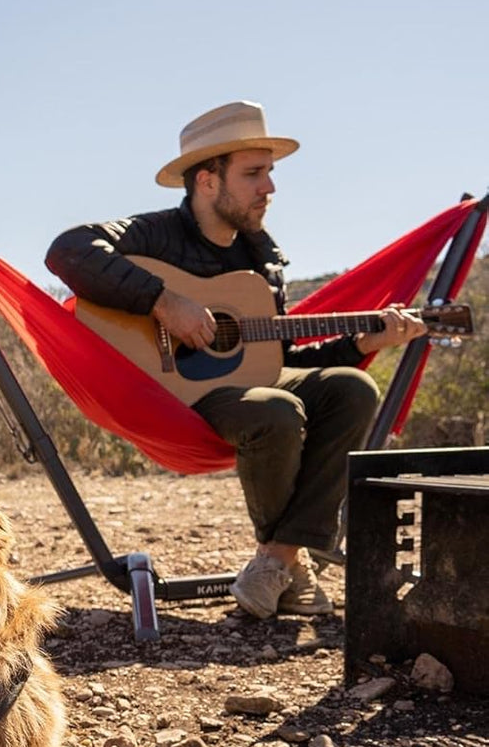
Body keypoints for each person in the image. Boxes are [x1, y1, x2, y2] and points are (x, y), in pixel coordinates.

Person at [45, 101, 425, 619]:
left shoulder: (262, 258)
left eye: (268, 173)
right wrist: (164, 302)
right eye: (253, 174)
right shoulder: (155, 233)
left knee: (352, 388)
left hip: (243, 387)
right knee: (273, 410)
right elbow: (67, 251)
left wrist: (363, 345)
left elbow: (275, 356)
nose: (269, 188)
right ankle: (290, 565)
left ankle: (279, 558)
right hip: (173, 399)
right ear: (207, 180)